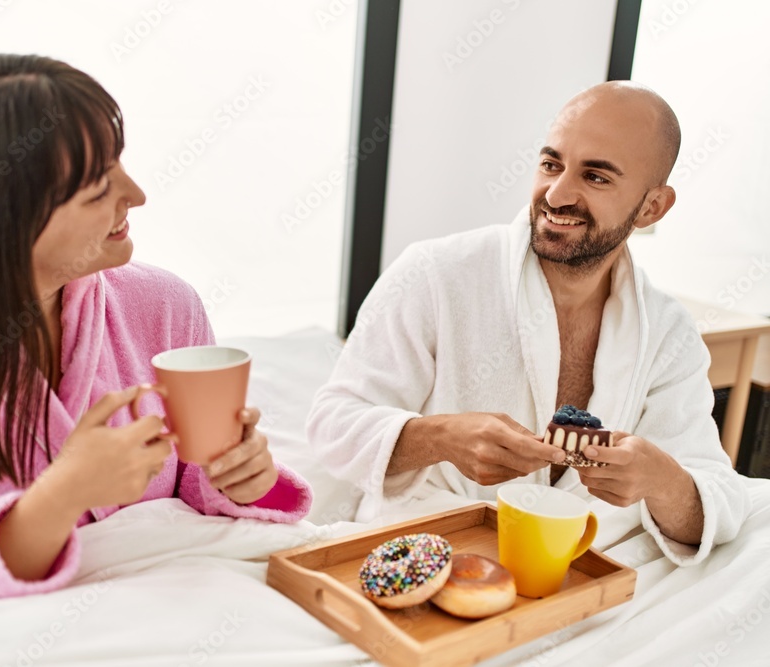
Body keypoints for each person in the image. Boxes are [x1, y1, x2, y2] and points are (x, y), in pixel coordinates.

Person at [0, 53, 311, 597]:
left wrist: (246, 479)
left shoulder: (164, 305)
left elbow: (196, 483)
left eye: (119, 164)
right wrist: (62, 495)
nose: (137, 195)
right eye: (98, 188)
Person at [307, 81, 749, 565]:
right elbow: (331, 426)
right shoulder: (436, 273)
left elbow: (718, 504)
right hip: (439, 548)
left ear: (651, 207)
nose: (557, 195)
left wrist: (661, 480)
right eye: (551, 164)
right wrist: (441, 438)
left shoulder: (668, 332)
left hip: (590, 566)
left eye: (596, 177)